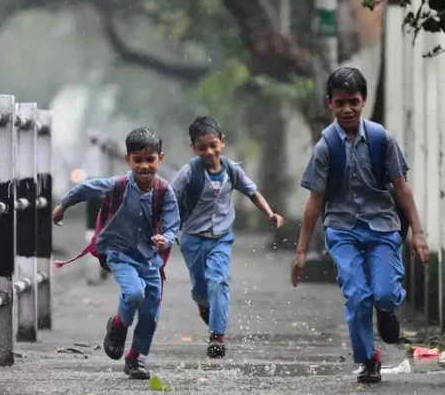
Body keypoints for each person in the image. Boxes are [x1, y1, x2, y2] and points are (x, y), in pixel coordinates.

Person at [292, 67, 429, 384]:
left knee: (382, 293)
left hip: (382, 229)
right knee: (356, 295)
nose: (347, 109)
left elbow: (401, 187)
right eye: (340, 103)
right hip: (342, 231)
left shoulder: (382, 140)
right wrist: (301, 251)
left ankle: (386, 310)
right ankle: (369, 359)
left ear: (364, 100)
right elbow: (315, 200)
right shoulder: (326, 146)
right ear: (330, 104)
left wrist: (418, 234)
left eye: (353, 101)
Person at [52, 127, 180, 380]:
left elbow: (173, 224)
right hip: (119, 252)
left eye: (150, 160)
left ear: (160, 159)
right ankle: (119, 325)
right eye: (138, 160)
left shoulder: (165, 192)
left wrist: (165, 238)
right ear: (128, 160)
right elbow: (86, 188)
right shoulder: (118, 185)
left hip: (149, 257)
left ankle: (136, 358)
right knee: (134, 293)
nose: (144, 166)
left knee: (151, 310)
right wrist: (63, 205)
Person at [170, 116, 284, 358]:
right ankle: (204, 304)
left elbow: (252, 192)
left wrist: (270, 214)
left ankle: (217, 337)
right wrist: (161, 228)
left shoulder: (232, 170)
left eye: (213, 145)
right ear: (193, 148)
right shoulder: (188, 172)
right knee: (201, 289)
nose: (209, 152)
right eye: (202, 147)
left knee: (219, 281)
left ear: (222, 142)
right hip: (192, 239)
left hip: (221, 238)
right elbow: (169, 199)